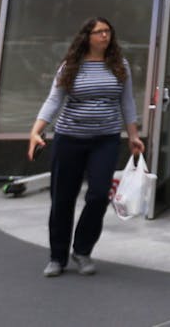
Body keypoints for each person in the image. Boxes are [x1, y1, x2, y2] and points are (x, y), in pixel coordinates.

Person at [27, 17, 144, 278]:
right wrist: (36, 131)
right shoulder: (71, 66)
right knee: (62, 199)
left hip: (105, 140)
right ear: (87, 36)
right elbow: (54, 100)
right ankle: (57, 256)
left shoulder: (119, 66)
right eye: (99, 32)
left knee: (99, 196)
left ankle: (82, 250)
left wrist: (134, 135)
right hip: (69, 139)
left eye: (108, 32)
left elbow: (127, 103)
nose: (105, 36)